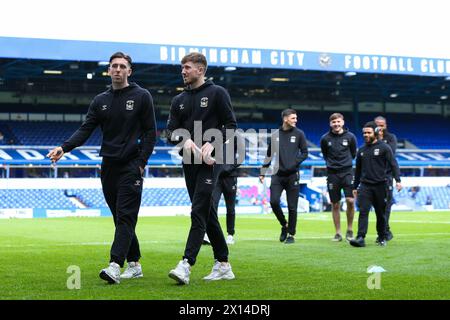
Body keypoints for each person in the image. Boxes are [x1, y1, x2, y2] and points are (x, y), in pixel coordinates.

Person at [47, 52, 157, 284]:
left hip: (131, 165)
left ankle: (115, 265)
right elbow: (86, 129)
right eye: (114, 66)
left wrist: (142, 162)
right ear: (108, 70)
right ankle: (135, 264)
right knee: (120, 218)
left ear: (129, 70)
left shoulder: (141, 96)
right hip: (108, 166)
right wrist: (64, 148)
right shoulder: (100, 100)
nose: (117, 69)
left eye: (122, 66)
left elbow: (150, 132)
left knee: (126, 216)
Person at [166, 52, 237, 285]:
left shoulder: (217, 93)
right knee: (207, 213)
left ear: (200, 69)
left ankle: (186, 264)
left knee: (198, 211)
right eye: (182, 68)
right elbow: (170, 132)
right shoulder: (178, 100)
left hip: (211, 162)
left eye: (187, 67)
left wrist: (213, 142)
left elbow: (231, 125)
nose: (183, 71)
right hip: (189, 162)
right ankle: (223, 264)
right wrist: (184, 139)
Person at [259, 109, 308, 244]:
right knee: (274, 202)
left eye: (296, 118)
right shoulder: (275, 135)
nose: (295, 120)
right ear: (285, 119)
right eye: (293, 118)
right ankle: (284, 225)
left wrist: (294, 163)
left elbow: (305, 153)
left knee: (292, 207)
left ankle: (291, 235)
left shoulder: (299, 134)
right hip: (277, 175)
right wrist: (263, 171)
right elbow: (269, 155)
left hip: (293, 175)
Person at [349, 121, 402, 248]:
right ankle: (360, 237)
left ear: (376, 133)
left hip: (381, 185)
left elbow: (393, 164)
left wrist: (398, 180)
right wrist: (355, 187)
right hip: (365, 186)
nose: (366, 135)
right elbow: (358, 171)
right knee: (363, 211)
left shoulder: (384, 148)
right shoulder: (361, 151)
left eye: (368, 132)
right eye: (364, 133)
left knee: (380, 213)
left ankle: (382, 236)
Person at [320, 113, 357, 242]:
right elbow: (325, 154)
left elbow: (353, 153)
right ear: (330, 124)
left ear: (343, 122)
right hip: (332, 174)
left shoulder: (351, 137)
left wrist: (344, 163)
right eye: (333, 122)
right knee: (335, 204)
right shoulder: (325, 138)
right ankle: (338, 233)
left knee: (350, 201)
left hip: (347, 172)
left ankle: (350, 229)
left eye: (338, 121)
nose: (336, 124)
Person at [374, 115, 398, 241]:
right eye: (377, 125)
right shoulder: (370, 138)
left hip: (387, 177)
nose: (380, 127)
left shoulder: (391, 138)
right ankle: (385, 231)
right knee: (377, 206)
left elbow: (390, 154)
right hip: (373, 177)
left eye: (382, 125)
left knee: (386, 205)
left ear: (386, 125)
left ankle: (384, 232)